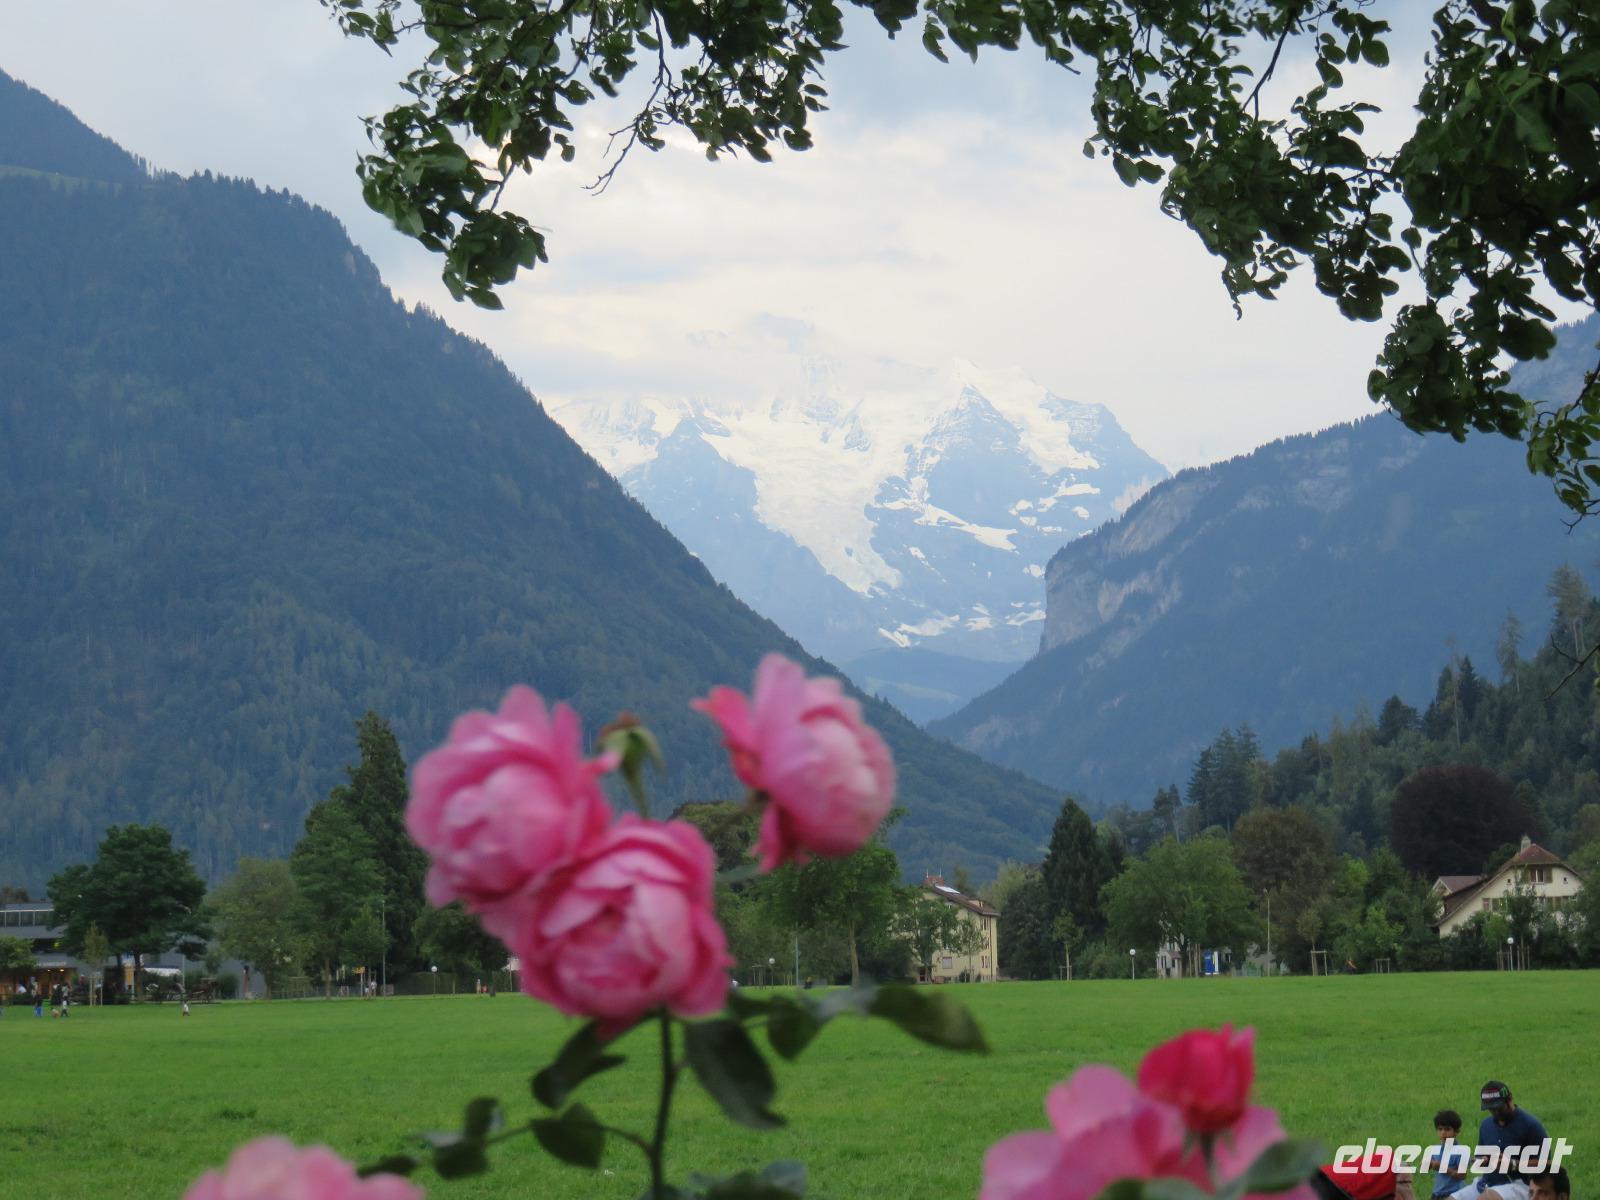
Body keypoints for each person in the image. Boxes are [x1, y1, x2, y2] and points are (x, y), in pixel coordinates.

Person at [1450, 1082, 1551, 1200]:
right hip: (1487, 1182)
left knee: (1486, 1198)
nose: (1496, 1113)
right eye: (1492, 1109)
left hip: (1520, 1185)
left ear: (1510, 1099)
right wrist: (1482, 1161)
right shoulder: (1486, 1125)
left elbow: (1547, 1164)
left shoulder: (1531, 1125)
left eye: (1499, 1108)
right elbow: (1482, 1156)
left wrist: (1514, 1164)